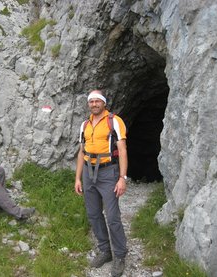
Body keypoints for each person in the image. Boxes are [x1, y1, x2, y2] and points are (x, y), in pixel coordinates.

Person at [74, 90, 128, 277]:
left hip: (108, 172)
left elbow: (122, 149)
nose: (94, 104)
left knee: (112, 216)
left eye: (98, 101)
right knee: (94, 214)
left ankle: (120, 255)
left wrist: (122, 177)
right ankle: (105, 251)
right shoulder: (85, 125)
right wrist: (78, 178)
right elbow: (82, 152)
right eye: (92, 101)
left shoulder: (114, 121)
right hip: (89, 172)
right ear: (89, 104)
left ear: (104, 103)